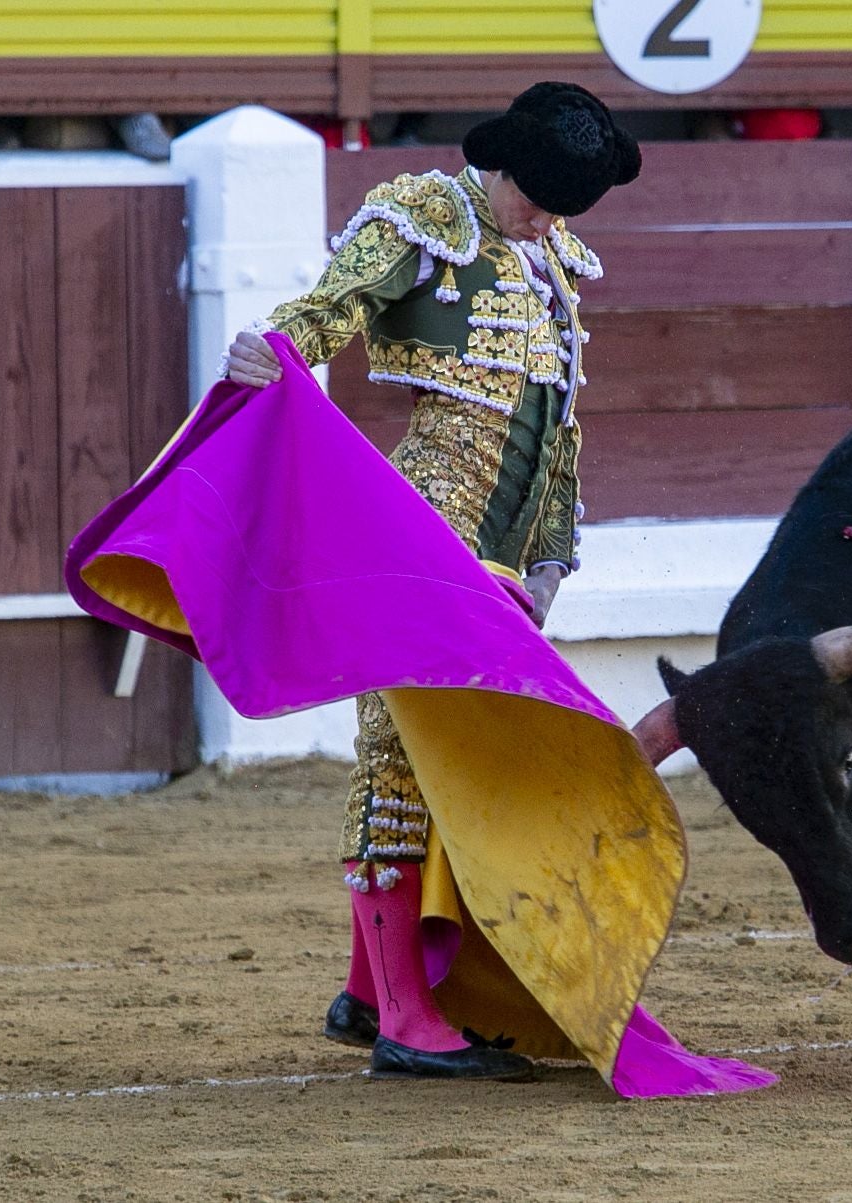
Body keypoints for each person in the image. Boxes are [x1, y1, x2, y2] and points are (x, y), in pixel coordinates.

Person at [225, 82, 639, 1082]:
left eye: (560, 206)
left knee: (468, 760)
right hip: (424, 521)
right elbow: (335, 309)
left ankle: (370, 989)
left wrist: (548, 563)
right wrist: (274, 350)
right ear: (498, 167)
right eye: (535, 199)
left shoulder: (553, 262)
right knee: (402, 752)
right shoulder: (423, 215)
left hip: (502, 550)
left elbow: (560, 430)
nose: (545, 219)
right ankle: (405, 1020)